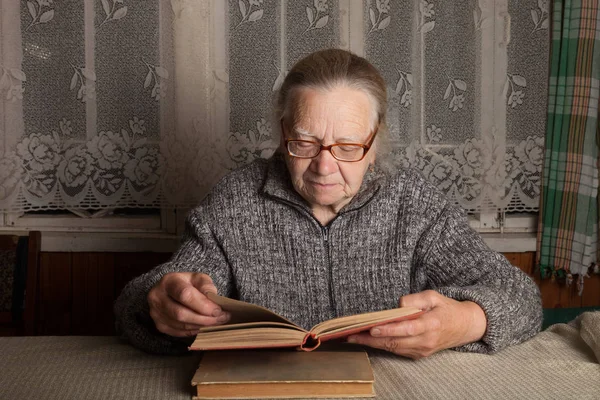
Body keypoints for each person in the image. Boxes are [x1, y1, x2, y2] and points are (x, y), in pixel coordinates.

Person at [114, 49, 542, 359]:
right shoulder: (235, 198)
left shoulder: (414, 201)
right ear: (283, 133)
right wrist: (157, 304)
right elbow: (142, 301)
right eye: (304, 142)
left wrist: (465, 322)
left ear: (375, 144)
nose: (323, 166)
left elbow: (521, 297)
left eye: (348, 146)